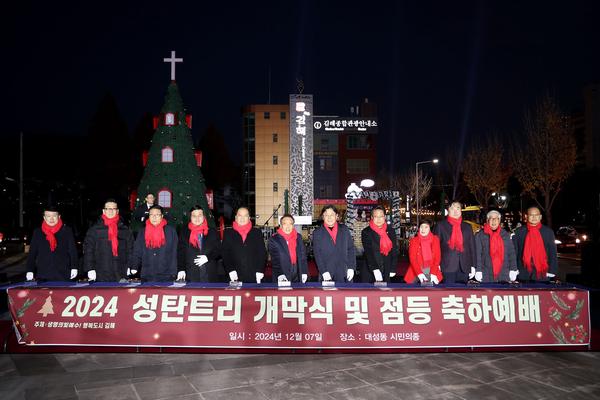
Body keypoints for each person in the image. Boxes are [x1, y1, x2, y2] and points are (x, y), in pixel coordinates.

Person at [83, 199, 134, 282]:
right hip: (100, 272)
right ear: (104, 211)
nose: (110, 211)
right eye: (108, 209)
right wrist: (90, 268)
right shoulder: (95, 230)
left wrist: (130, 266)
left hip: (121, 272)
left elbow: (131, 249)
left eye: (113, 209)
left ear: (117, 211)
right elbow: (88, 250)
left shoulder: (125, 230)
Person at [26, 206, 78, 282]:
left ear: (59, 217)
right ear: (44, 217)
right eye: (48, 216)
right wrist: (30, 270)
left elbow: (73, 251)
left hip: (63, 274)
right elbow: (32, 253)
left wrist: (74, 267)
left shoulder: (67, 231)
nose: (51, 219)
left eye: (54, 216)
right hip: (43, 274)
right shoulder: (38, 232)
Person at [512, 206, 558, 282]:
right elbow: (514, 253)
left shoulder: (548, 232)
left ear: (540, 217)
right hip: (523, 272)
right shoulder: (518, 232)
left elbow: (552, 253)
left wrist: (552, 271)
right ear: (526, 216)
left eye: (536, 215)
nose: (534, 217)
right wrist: (513, 270)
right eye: (531, 215)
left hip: (542, 273)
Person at [132, 205, 178, 281]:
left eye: (157, 215)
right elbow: (137, 250)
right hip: (147, 274)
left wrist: (174, 272)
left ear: (162, 216)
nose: (154, 217)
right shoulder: (142, 232)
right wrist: (134, 266)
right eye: (152, 215)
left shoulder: (170, 231)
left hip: (166, 274)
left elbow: (174, 252)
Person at [434, 201, 476, 283]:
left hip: (465, 266)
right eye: (452, 208)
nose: (455, 211)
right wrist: (436, 265)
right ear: (448, 210)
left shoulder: (467, 226)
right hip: (447, 266)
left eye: (458, 208)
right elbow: (435, 247)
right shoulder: (440, 226)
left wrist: (474, 266)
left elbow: (472, 247)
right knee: (449, 293)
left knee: (463, 294)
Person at [221, 207, 266, 283]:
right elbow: (225, 253)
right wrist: (230, 270)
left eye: (245, 216)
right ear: (236, 217)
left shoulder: (256, 232)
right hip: (235, 275)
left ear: (249, 218)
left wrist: (260, 270)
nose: (242, 218)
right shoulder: (228, 233)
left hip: (253, 275)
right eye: (240, 215)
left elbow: (262, 253)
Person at [312, 205, 356, 283]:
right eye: (326, 215)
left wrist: (351, 267)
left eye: (332, 215)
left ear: (336, 216)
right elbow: (317, 254)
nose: (329, 217)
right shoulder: (317, 233)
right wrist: (323, 271)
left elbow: (351, 249)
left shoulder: (344, 230)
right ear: (323, 217)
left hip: (344, 273)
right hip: (327, 273)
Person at [177, 205, 220, 282]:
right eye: (194, 216)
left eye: (200, 215)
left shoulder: (212, 231)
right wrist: (181, 269)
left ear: (204, 217)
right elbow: (181, 252)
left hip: (210, 274)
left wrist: (208, 257)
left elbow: (218, 250)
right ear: (190, 217)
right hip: (191, 274)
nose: (197, 218)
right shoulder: (184, 232)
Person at [474, 210, 518, 283]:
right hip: (486, 273)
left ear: (499, 220)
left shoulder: (505, 235)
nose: (494, 221)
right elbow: (477, 254)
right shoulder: (480, 235)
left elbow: (511, 253)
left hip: (504, 273)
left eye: (496, 218)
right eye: (491, 218)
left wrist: (513, 269)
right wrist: (478, 270)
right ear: (487, 220)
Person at [361, 206, 399, 283]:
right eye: (376, 216)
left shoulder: (390, 231)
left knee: (386, 294)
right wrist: (375, 269)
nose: (379, 219)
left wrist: (393, 268)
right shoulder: (366, 232)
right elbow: (369, 253)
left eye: (381, 216)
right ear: (372, 217)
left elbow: (394, 250)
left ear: (385, 217)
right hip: (370, 270)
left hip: (386, 269)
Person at [268, 214, 308, 283]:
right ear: (280, 225)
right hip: (282, 272)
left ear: (293, 225)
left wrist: (304, 272)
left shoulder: (298, 237)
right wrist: (280, 274)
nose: (288, 227)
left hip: (297, 272)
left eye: (290, 224)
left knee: (298, 293)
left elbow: (302, 256)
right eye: (285, 224)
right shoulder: (274, 239)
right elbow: (275, 260)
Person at [404, 219, 442, 284]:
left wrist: (433, 273)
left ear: (430, 229)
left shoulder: (435, 239)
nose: (423, 229)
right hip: (416, 270)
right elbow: (413, 259)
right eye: (421, 227)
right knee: (412, 291)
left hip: (432, 269)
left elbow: (437, 258)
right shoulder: (414, 240)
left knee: (431, 292)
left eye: (426, 227)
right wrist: (419, 274)